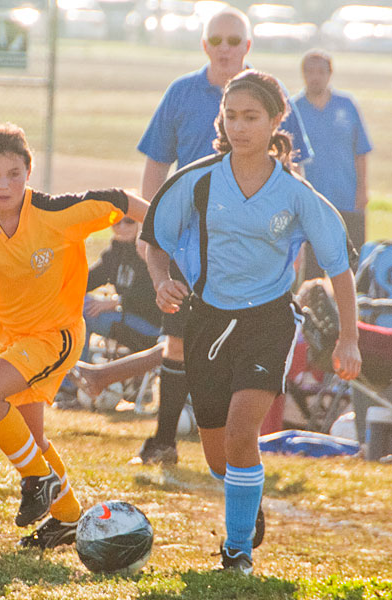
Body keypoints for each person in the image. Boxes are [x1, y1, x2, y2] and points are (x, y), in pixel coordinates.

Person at [74, 5, 315, 467]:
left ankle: (234, 443)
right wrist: (151, 231)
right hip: (189, 241)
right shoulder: (182, 92)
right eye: (216, 40)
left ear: (248, 46)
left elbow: (293, 168)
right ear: (204, 45)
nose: (225, 48)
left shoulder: (269, 91)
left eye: (234, 40)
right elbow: (156, 162)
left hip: (253, 245)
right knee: (180, 339)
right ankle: (165, 441)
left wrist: (293, 235)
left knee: (239, 338)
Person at [141, 69, 361, 574]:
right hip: (206, 321)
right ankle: (247, 495)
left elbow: (339, 267)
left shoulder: (296, 194)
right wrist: (161, 281)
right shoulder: (197, 180)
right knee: (219, 456)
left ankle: (237, 550)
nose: (239, 127)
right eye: (231, 116)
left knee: (243, 434)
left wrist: (348, 338)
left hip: (267, 321)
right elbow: (155, 241)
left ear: (276, 120)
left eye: (251, 117)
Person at [0, 123, 149, 549]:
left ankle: (37, 480)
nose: (3, 184)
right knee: (32, 438)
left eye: (14, 174)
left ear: (28, 173)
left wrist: (162, 232)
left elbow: (120, 199)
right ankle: (68, 518)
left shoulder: (53, 211)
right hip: (12, 338)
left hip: (55, 335)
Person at [54, 217, 161, 408]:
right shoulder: (116, 252)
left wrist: (114, 302)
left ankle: (72, 388)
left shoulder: (148, 249)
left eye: (129, 221)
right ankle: (71, 381)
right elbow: (86, 280)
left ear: (140, 222)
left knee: (83, 315)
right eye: (116, 222)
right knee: (77, 303)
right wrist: (58, 289)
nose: (122, 227)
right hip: (126, 318)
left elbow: (151, 296)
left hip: (152, 327)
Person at [292, 49, 373, 280]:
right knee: (313, 271)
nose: (315, 77)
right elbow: (290, 157)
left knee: (352, 266)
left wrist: (362, 190)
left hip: (348, 198)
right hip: (313, 202)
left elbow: (361, 151)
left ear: (330, 74)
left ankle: (351, 304)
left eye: (321, 71)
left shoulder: (346, 105)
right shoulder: (294, 108)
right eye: (310, 71)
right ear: (303, 74)